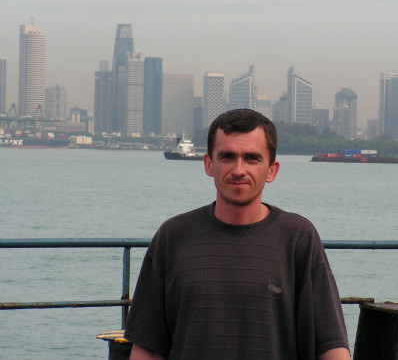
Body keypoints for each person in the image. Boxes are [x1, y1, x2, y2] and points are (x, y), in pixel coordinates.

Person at [125, 109, 351, 360]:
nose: (238, 170)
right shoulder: (172, 237)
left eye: (252, 158)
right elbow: (148, 348)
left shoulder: (298, 238)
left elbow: (331, 346)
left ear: (272, 170)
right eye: (227, 157)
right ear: (209, 164)